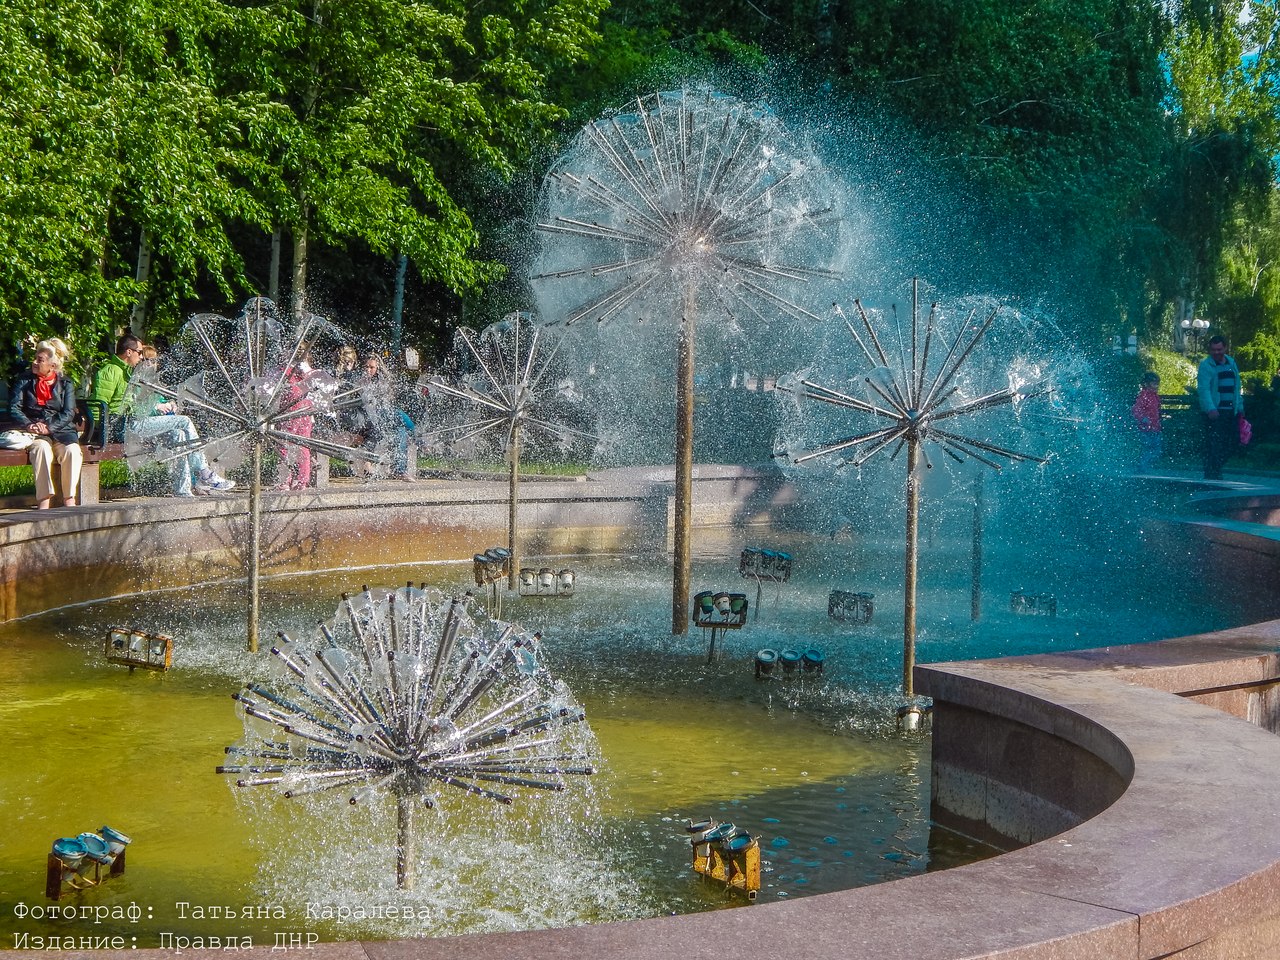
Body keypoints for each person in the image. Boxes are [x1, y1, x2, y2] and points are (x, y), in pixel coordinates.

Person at [126, 351, 235, 497]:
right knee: (184, 421)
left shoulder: (150, 380)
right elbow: (133, 408)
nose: (150, 363)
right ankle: (204, 472)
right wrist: (156, 408)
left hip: (150, 425)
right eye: (146, 359)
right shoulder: (135, 380)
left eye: (153, 360)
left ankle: (182, 490)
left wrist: (168, 404)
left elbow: (157, 400)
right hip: (138, 426)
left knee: (180, 437)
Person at [8, 341, 83, 509]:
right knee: (40, 450)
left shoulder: (66, 383)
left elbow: (69, 412)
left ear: (52, 364)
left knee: (72, 451)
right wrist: (29, 424)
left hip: (61, 430)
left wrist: (49, 426)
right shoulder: (24, 380)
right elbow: (14, 407)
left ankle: (69, 498)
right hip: (35, 431)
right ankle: (44, 500)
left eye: (40, 360)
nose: (35, 362)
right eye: (35, 358)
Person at [1197, 335, 1244, 480]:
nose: (1216, 352)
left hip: (1231, 411)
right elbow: (1203, 389)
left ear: (1225, 348)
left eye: (1219, 349)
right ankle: (1212, 473)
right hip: (1216, 412)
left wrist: (1240, 407)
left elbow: (1237, 387)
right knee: (1214, 444)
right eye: (1213, 349)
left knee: (1234, 441)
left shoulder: (1231, 362)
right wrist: (1210, 408)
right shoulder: (1206, 365)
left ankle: (1215, 468)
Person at [359, 354, 413, 480]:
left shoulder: (382, 383)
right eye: (366, 367)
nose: (368, 370)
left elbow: (386, 402)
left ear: (378, 369)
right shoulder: (359, 382)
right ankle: (419, 437)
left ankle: (399, 471)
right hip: (368, 419)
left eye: (371, 367)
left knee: (401, 432)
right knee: (400, 416)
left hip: (383, 418)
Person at [89, 334, 143, 441]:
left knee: (176, 430)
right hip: (116, 426)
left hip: (127, 422)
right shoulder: (110, 372)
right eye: (140, 352)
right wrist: (97, 433)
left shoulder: (128, 373)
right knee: (181, 422)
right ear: (129, 352)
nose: (141, 357)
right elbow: (98, 404)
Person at [276, 347, 316, 490]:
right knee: (302, 445)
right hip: (305, 411)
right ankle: (302, 480)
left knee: (285, 444)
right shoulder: (306, 370)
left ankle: (285, 480)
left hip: (291, 412)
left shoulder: (286, 370)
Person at [1131, 372, 1162, 473]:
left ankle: (1145, 466)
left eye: (1157, 384)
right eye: (1154, 384)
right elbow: (1136, 409)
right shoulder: (1143, 396)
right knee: (1148, 448)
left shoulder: (1155, 396)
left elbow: (1156, 411)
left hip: (1155, 427)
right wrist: (1143, 418)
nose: (1157, 386)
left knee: (1156, 449)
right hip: (1145, 428)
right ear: (1146, 384)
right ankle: (1142, 467)